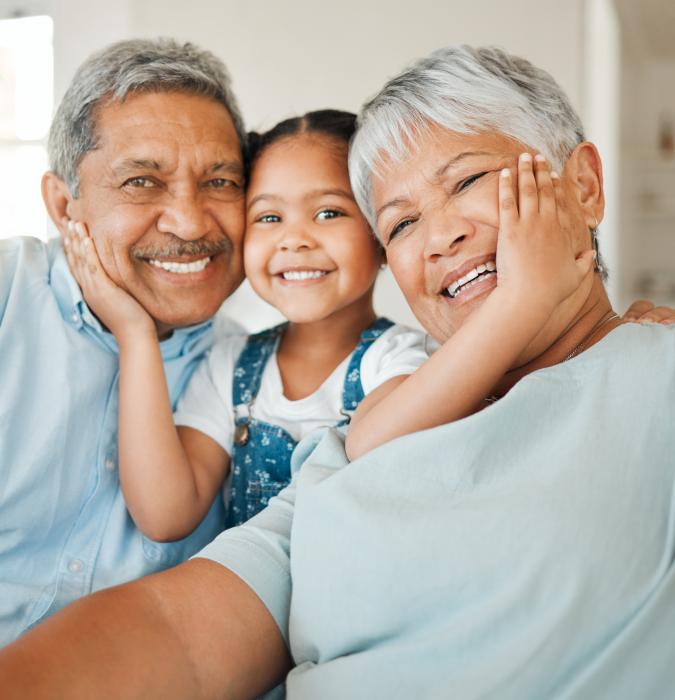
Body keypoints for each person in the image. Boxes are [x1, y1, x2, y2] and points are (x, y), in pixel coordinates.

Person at [2, 45, 675, 700]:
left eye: (469, 180)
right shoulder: (338, 445)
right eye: (402, 222)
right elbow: (177, 630)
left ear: (581, 186)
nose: (438, 238)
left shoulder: (648, 375)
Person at [62, 109, 428, 542]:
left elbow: (375, 448)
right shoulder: (232, 365)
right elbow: (165, 515)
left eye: (328, 213)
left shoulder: (404, 360)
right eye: (269, 218)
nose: (295, 239)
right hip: (249, 605)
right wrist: (136, 334)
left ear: (381, 231)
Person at [0, 38, 249, 645]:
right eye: (142, 182)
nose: (190, 223)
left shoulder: (250, 369)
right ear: (64, 206)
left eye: (220, 181)